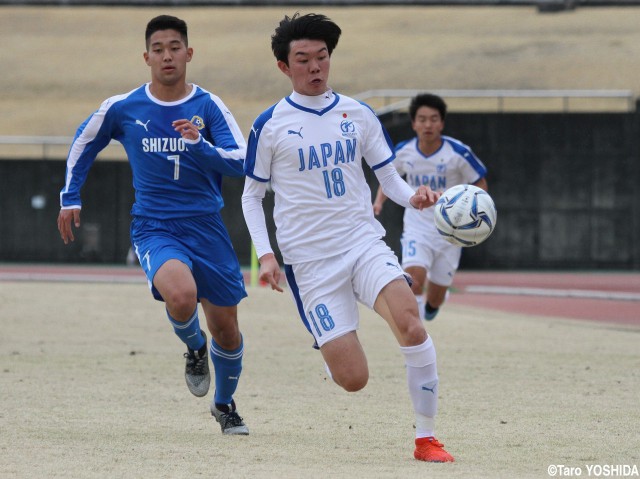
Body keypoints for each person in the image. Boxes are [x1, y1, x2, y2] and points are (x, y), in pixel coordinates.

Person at [241, 13, 454, 462]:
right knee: (353, 379)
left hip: (362, 243)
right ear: (284, 66)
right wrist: (266, 256)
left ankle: (426, 438)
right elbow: (251, 196)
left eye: (322, 57)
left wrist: (412, 197)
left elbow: (388, 177)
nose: (315, 67)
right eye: (303, 60)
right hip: (310, 263)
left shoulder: (357, 114)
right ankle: (328, 342)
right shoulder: (271, 124)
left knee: (412, 324)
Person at [57, 15, 249, 435]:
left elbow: (241, 161)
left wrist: (201, 146)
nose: (167, 55)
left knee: (228, 330)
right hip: (155, 226)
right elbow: (84, 140)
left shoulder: (208, 107)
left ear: (189, 53)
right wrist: (70, 196)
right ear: (146, 57)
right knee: (181, 295)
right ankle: (194, 348)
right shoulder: (125, 107)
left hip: (206, 226)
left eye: (175, 47)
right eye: (158, 48)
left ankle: (224, 404)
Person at [373, 93, 488, 321]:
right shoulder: (403, 151)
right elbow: (389, 179)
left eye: (434, 119)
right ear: (414, 123)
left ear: (442, 123)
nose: (428, 124)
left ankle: (433, 305)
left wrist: (458, 198)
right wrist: (378, 202)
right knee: (413, 278)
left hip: (450, 232)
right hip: (418, 225)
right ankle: (414, 332)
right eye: (422, 119)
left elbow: (480, 183)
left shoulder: (458, 152)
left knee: (434, 300)